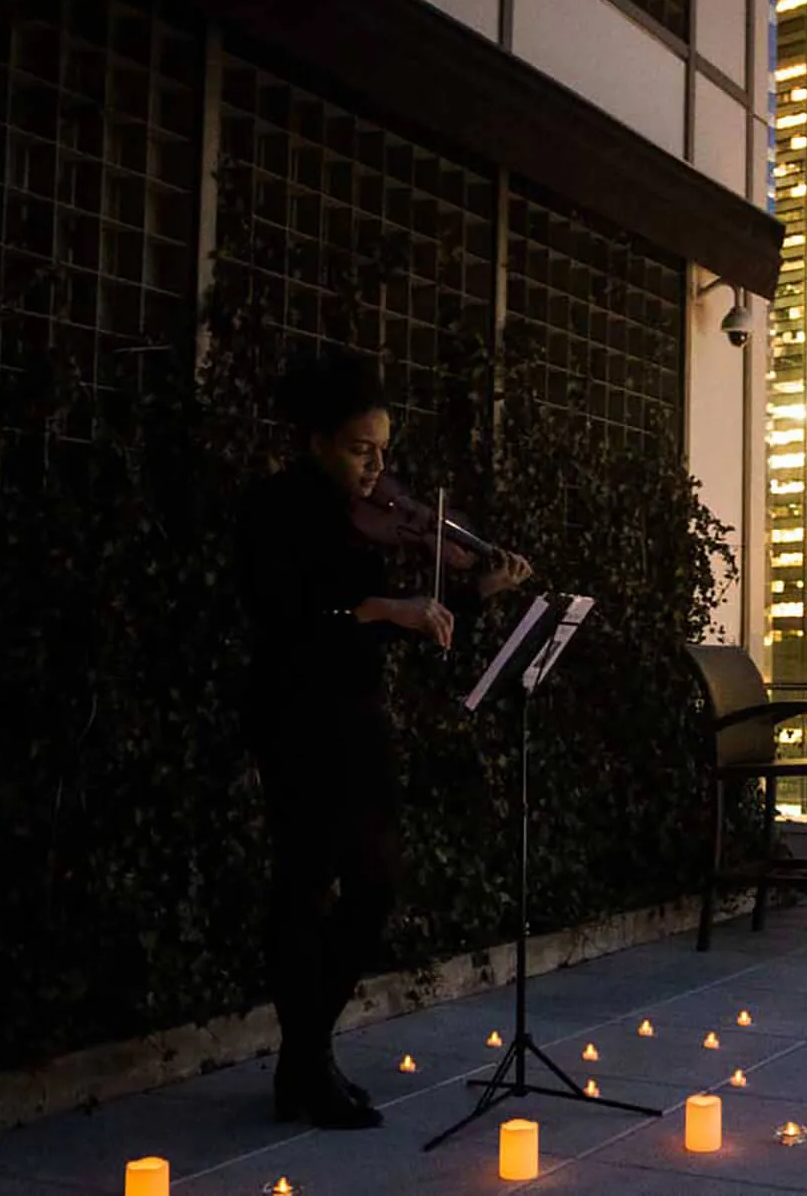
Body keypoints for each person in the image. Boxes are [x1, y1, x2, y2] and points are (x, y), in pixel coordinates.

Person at [235, 351, 531, 1129]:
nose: (377, 466)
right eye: (361, 449)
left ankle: (304, 1059)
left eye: (383, 450)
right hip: (295, 716)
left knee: (376, 883)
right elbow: (287, 614)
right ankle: (307, 1069)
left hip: (357, 716)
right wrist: (377, 609)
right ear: (316, 442)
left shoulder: (366, 521)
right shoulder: (273, 509)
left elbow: (397, 622)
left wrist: (472, 589)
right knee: (302, 889)